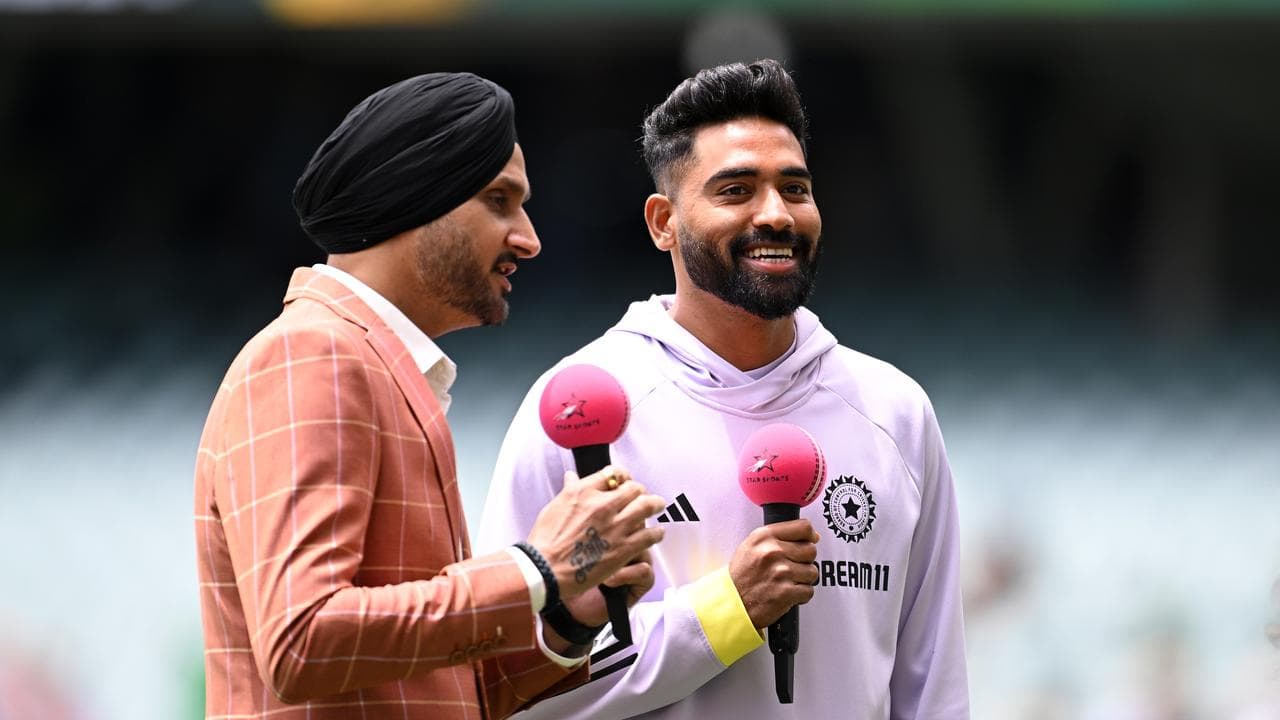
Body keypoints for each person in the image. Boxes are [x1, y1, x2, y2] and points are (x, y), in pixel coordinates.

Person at [478, 59, 969, 719]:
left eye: (794, 189)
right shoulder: (577, 412)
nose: (775, 213)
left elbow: (932, 685)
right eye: (736, 190)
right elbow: (500, 686)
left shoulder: (895, 413)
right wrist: (726, 612)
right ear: (663, 223)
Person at [193, 72, 666, 720]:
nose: (529, 238)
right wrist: (535, 568)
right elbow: (301, 642)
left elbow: (437, 693)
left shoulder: (364, 364)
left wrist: (564, 620)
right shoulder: (314, 355)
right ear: (412, 197)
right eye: (500, 201)